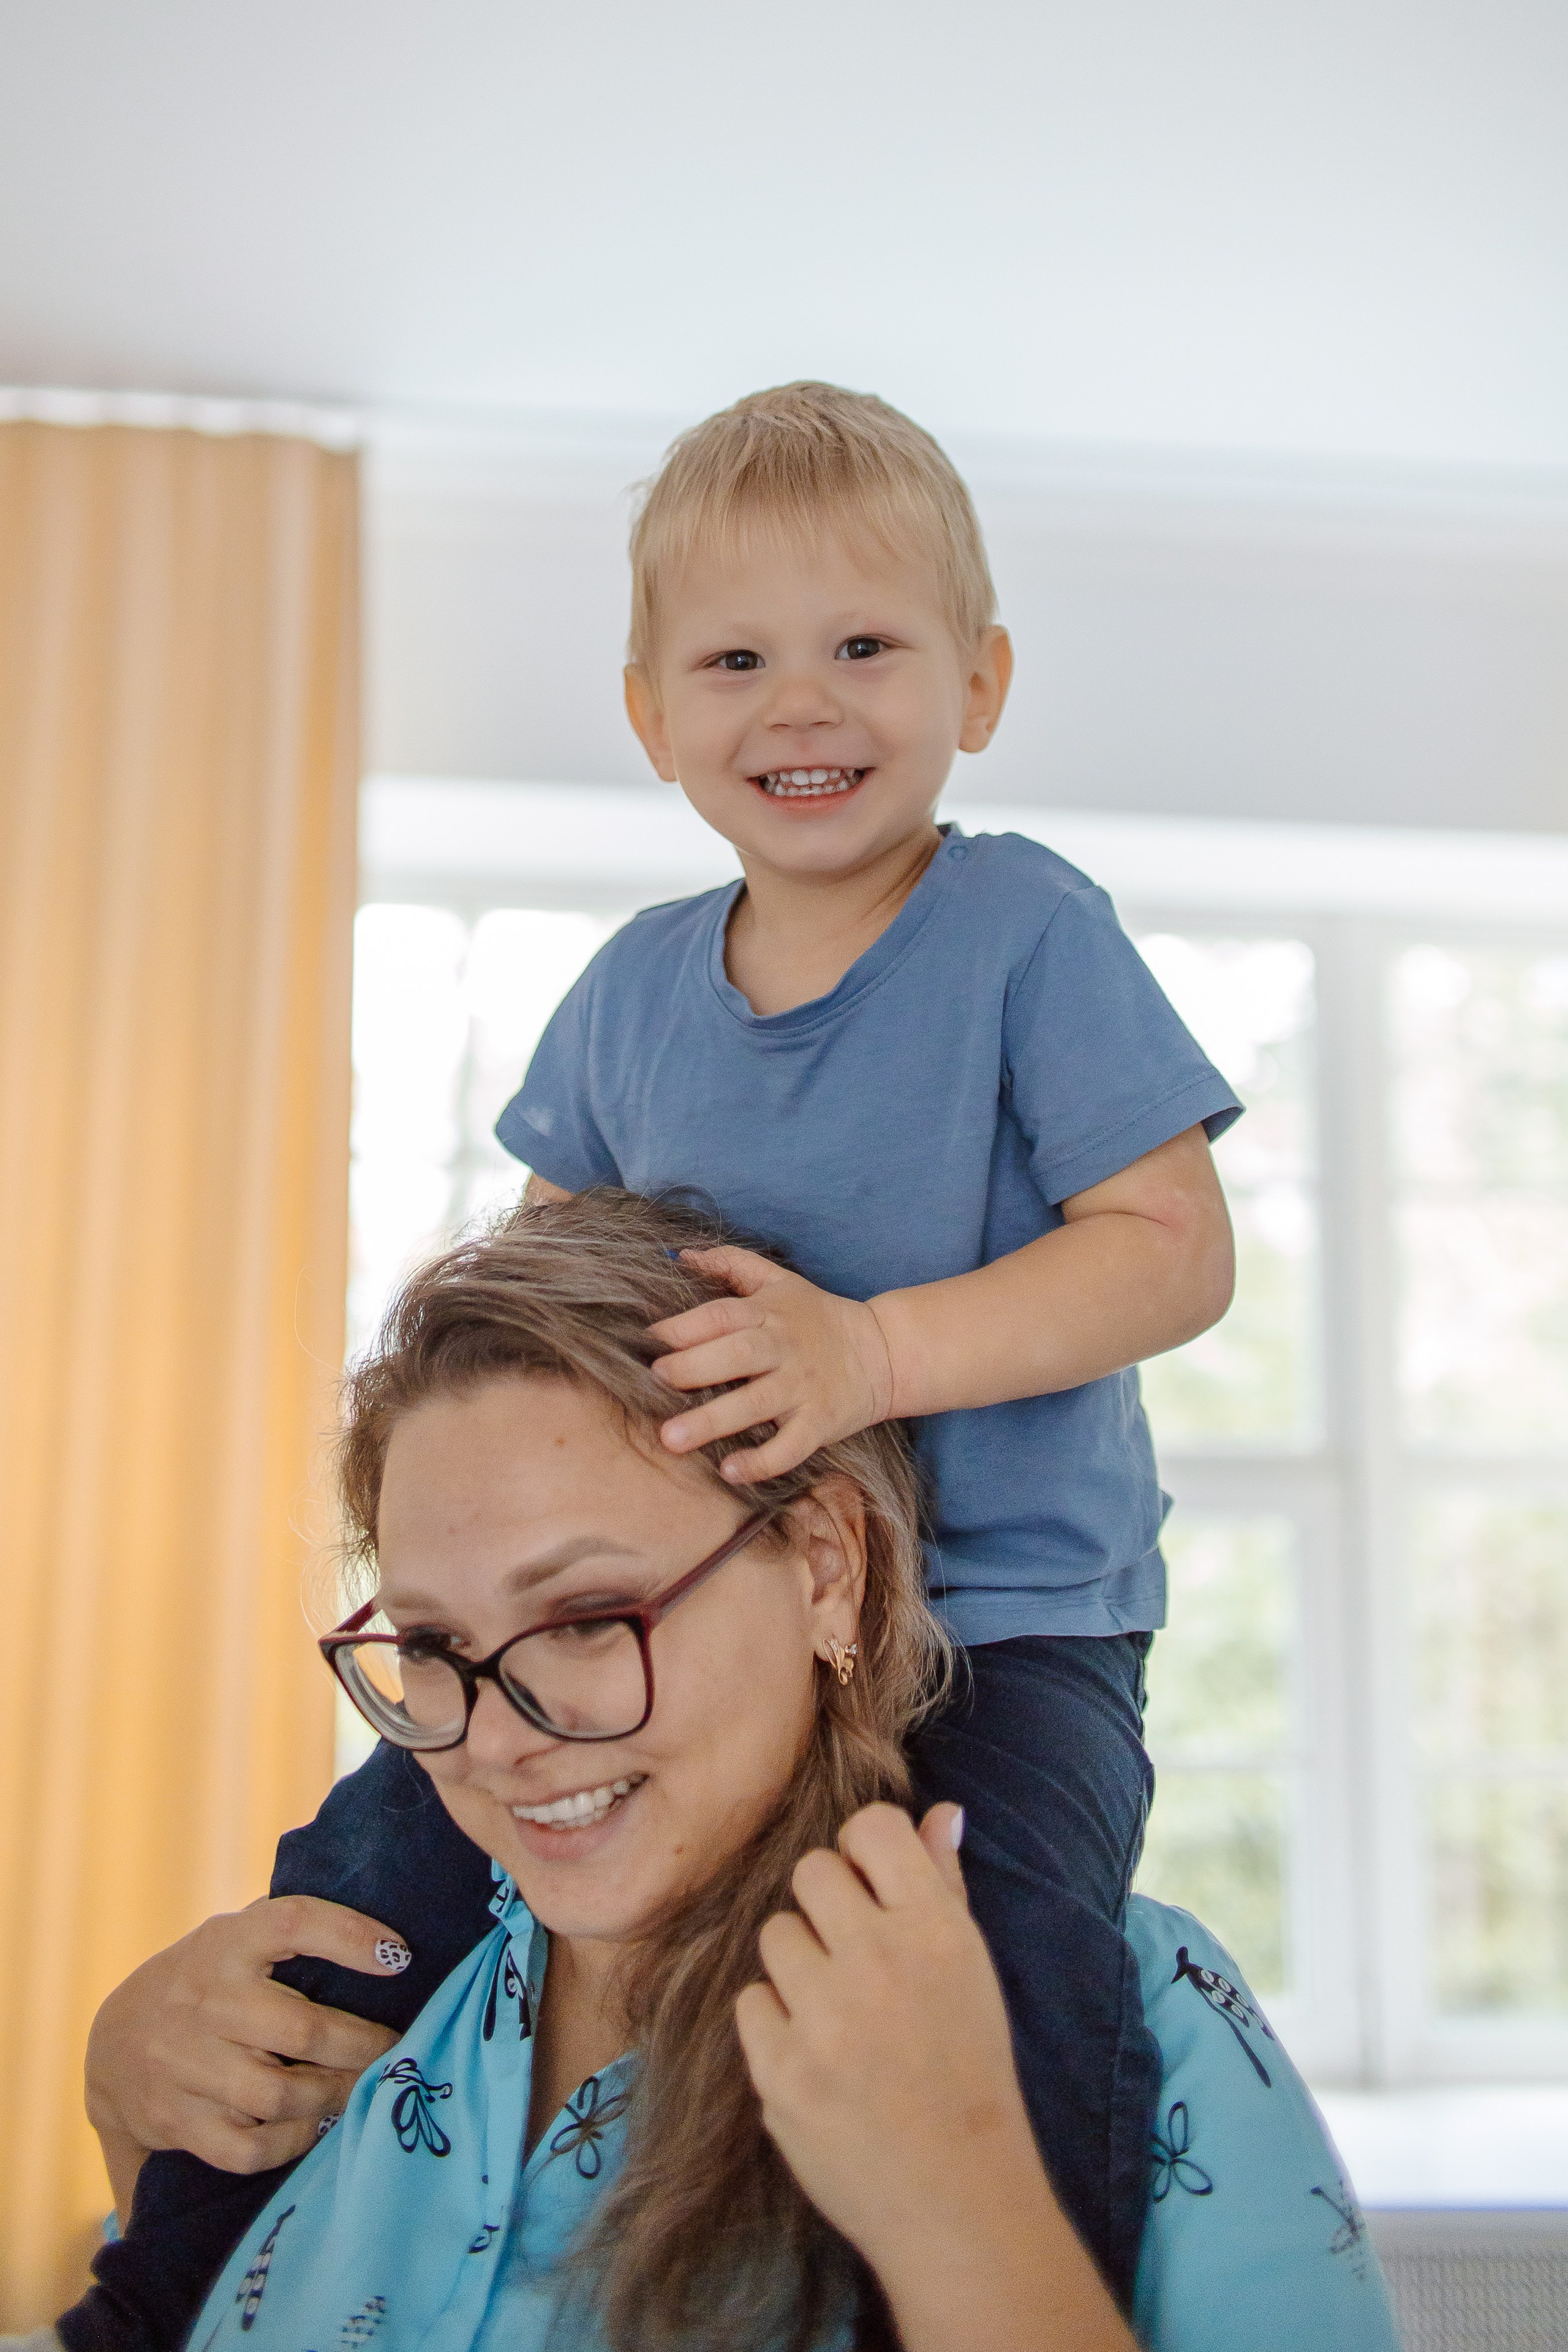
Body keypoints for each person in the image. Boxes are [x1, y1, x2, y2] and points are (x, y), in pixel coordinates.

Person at [64, 1194, 1400, 2352]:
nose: (494, 1734)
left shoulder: (1138, 2032)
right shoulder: (348, 2000)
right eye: (429, 1645)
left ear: (826, 1565)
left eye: (588, 1616)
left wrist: (968, 2212)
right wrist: (135, 2125)